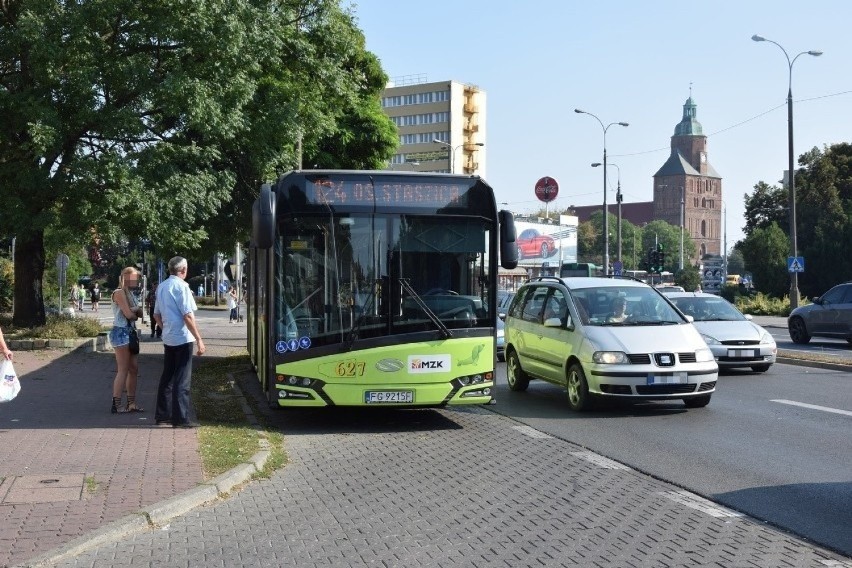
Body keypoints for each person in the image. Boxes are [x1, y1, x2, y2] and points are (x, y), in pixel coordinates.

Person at [153, 256, 206, 428]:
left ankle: (162, 416)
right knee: (182, 379)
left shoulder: (162, 286)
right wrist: (199, 339)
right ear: (183, 270)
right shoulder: (182, 287)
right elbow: (188, 315)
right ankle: (181, 418)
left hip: (169, 337)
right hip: (183, 337)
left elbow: (156, 315)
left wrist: (166, 327)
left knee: (167, 376)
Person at [109, 267, 145, 413]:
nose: (136, 281)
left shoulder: (130, 293)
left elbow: (140, 312)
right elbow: (130, 315)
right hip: (121, 332)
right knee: (123, 369)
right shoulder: (118, 293)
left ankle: (131, 403)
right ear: (125, 277)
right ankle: (116, 404)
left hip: (130, 332)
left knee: (134, 369)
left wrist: (135, 312)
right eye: (134, 277)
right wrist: (135, 312)